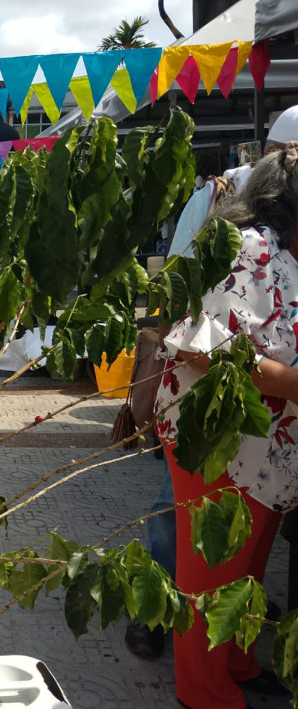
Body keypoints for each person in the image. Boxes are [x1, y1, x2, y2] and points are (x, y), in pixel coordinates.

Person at [154, 143, 298, 709]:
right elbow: (200, 345)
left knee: (250, 561)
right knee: (214, 569)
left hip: (267, 446)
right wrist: (290, 384)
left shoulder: (288, 252)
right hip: (217, 436)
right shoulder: (249, 248)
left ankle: (235, 661)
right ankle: (203, 691)